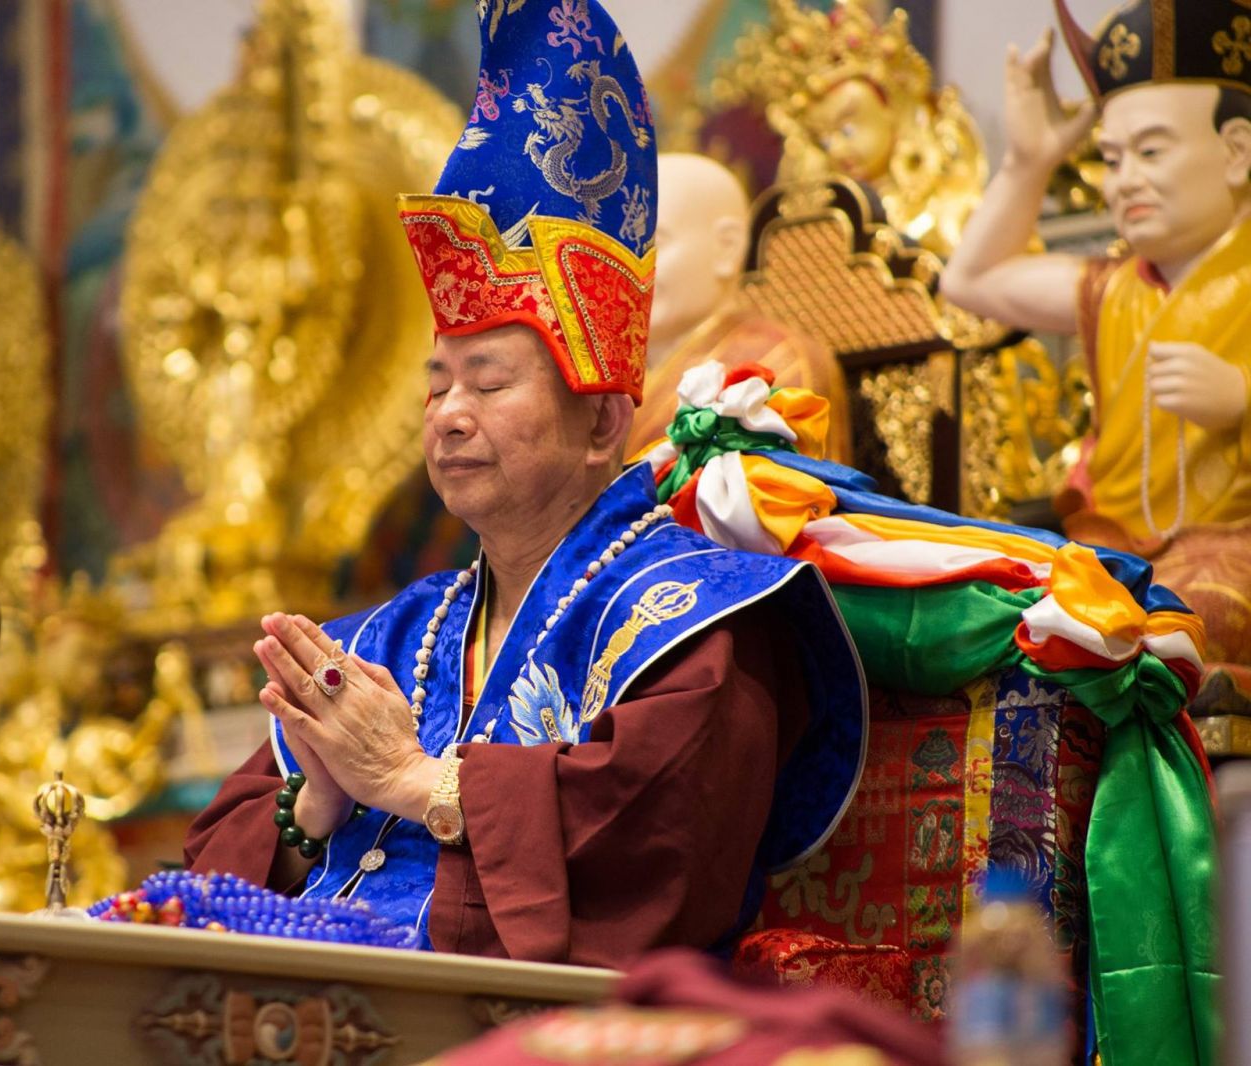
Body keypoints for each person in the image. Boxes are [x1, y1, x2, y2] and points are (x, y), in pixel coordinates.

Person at [181, 0, 867, 969]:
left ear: (603, 423)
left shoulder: (696, 622)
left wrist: (413, 780)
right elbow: (208, 871)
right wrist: (317, 803)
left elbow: (660, 864)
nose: (448, 414)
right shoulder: (394, 638)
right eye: (436, 385)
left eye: (489, 382)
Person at [941, 0, 1251, 697]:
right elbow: (968, 280)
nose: (1124, 180)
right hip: (1107, 554)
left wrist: (1241, 398)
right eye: (1111, 158)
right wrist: (1030, 160)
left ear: (1237, 152)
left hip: (1228, 554)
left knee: (1181, 615)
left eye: (1151, 151)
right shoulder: (1112, 291)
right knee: (1003, 618)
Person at [630, 152, 851, 463]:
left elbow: (778, 488)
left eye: (654, 242)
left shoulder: (779, 363)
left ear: (727, 247)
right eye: (626, 246)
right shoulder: (611, 370)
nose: (634, 266)